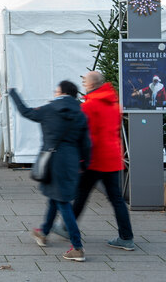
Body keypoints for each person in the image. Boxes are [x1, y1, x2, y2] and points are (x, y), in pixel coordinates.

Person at [9, 81, 91, 263]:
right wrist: (85, 163)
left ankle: (77, 247)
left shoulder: (50, 109)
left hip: (53, 161)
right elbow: (86, 143)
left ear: (61, 92)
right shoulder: (80, 112)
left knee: (63, 202)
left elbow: (26, 112)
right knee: (56, 197)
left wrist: (13, 94)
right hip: (71, 161)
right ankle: (43, 232)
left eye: (56, 90)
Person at [55, 71, 135, 251]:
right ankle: (126, 237)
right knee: (116, 199)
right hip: (113, 157)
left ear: (90, 85)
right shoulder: (114, 103)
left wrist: (80, 159)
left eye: (85, 81)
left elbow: (84, 135)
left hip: (94, 158)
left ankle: (67, 227)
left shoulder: (89, 106)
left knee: (82, 194)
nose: (83, 84)